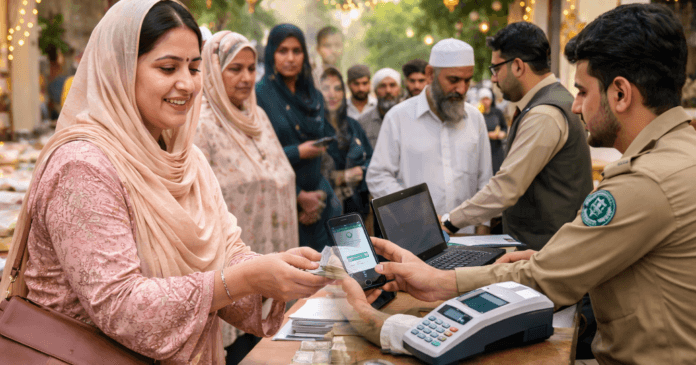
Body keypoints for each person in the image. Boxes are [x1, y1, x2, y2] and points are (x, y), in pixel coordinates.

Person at [342, 4, 696, 364]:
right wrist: (545, 260)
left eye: (584, 92)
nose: (575, 106)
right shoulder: (680, 153)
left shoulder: (642, 182)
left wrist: (436, 281)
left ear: (620, 94)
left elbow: (542, 275)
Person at [0, 2, 332, 364]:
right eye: (168, 67)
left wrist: (274, 273)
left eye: (194, 68)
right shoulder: (82, 167)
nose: (187, 84)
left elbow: (228, 250)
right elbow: (122, 307)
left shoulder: (187, 160)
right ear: (120, 69)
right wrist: (245, 279)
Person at [439, 22, 593, 250]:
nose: (493, 79)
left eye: (496, 69)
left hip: (547, 251)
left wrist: (449, 222)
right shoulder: (556, 99)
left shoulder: (544, 114)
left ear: (518, 66)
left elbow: (505, 189)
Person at [193, 31, 299, 354]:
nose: (246, 78)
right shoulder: (201, 122)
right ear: (212, 70)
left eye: (252, 69)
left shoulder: (258, 117)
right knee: (241, 352)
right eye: (235, 69)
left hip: (272, 256)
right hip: (231, 275)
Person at [366, 39, 492, 234]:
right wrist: (419, 213)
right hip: (414, 238)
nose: (462, 89)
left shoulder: (475, 119)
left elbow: (485, 182)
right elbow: (377, 176)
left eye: (467, 80)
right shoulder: (398, 117)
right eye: (453, 80)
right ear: (430, 74)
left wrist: (483, 232)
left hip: (467, 240)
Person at [256, 24, 341, 252]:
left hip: (320, 200)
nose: (290, 58)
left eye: (297, 51)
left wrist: (319, 195)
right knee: (296, 278)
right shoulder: (259, 95)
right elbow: (256, 156)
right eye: (283, 51)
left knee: (329, 273)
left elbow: (325, 151)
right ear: (271, 52)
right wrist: (299, 196)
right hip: (281, 204)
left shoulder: (313, 96)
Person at [319, 67, 373, 218]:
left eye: (337, 88)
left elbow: (372, 159)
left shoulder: (353, 125)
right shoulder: (312, 127)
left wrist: (362, 171)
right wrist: (338, 176)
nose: (332, 94)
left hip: (358, 208)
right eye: (325, 88)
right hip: (326, 210)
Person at [357, 68, 401, 149]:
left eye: (392, 85)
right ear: (375, 90)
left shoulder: (411, 118)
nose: (388, 90)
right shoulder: (363, 123)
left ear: (399, 90)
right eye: (382, 86)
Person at [479, 88, 507, 174]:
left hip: (496, 149)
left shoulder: (497, 112)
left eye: (487, 99)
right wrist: (487, 135)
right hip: (483, 150)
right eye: (483, 99)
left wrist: (503, 133)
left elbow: (504, 127)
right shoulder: (478, 113)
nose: (485, 101)